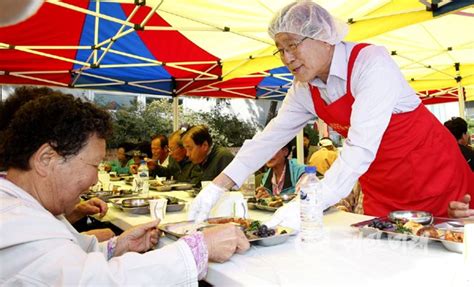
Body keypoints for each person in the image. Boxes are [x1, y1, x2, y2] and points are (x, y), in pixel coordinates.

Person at [188, 1, 473, 222]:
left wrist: (310, 203)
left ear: (324, 38)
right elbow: (270, 138)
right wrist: (218, 185)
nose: (287, 58)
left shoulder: (370, 63)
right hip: (383, 190)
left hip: (437, 181)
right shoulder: (303, 89)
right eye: (280, 49)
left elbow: (360, 145)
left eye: (293, 45)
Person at [0, 87, 249, 285]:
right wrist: (198, 249)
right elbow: (95, 282)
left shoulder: (25, 211)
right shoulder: (14, 222)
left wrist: (116, 247)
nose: (95, 180)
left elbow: (66, 261)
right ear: (47, 159)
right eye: (94, 165)